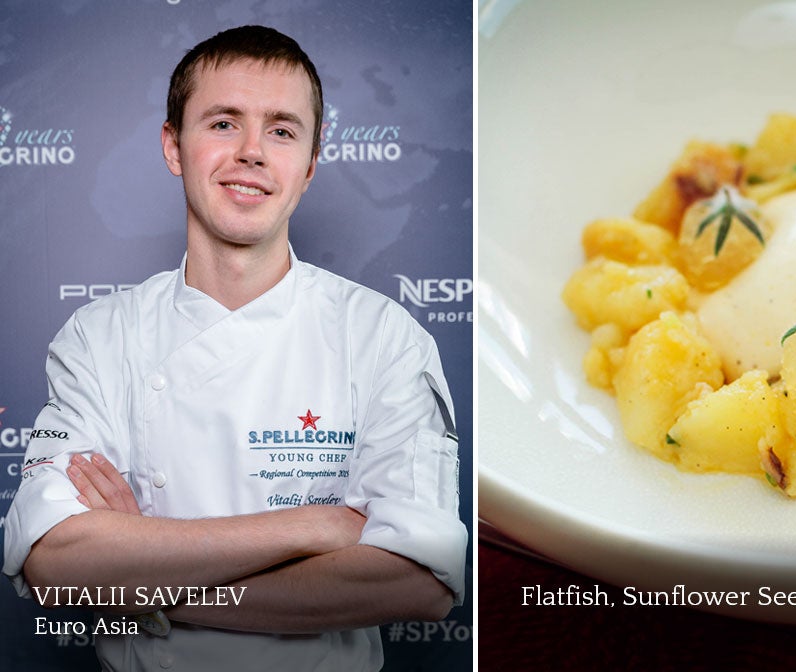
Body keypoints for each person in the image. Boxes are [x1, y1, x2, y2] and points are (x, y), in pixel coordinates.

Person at [2, 25, 466, 671]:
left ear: (308, 162)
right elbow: (56, 565)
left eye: (281, 130)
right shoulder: (98, 338)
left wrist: (147, 590)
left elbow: (420, 581)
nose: (252, 151)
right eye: (223, 123)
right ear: (174, 145)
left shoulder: (384, 337)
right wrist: (314, 526)